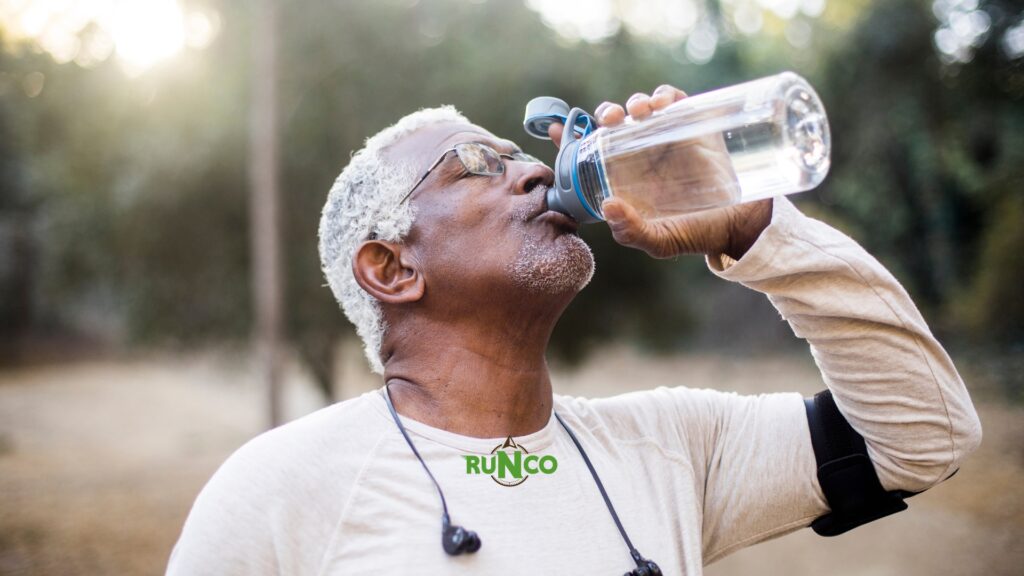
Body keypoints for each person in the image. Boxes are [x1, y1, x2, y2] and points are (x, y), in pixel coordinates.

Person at [166, 85, 982, 575]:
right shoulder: (279, 490)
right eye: (476, 165)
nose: (532, 169)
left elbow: (926, 435)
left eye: (517, 155)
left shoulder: (671, 447)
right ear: (392, 268)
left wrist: (757, 230)